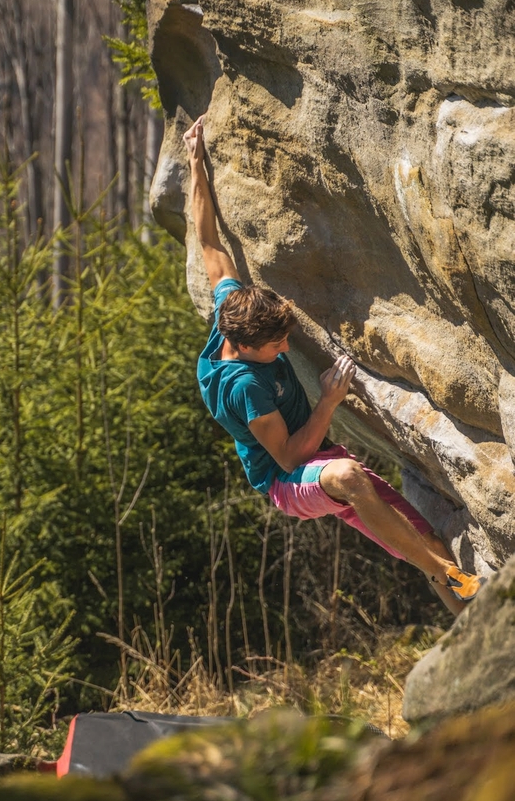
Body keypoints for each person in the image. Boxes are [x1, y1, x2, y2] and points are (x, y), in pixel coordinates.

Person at [184, 115, 483, 615]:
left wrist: (197, 162)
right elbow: (287, 458)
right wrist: (327, 401)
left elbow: (209, 242)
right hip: (289, 481)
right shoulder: (244, 387)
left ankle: (478, 641)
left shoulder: (230, 310)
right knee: (346, 477)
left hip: (318, 457)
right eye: (277, 345)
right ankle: (440, 572)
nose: (285, 350)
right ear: (248, 345)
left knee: (424, 535)